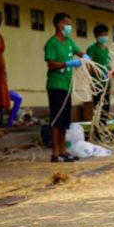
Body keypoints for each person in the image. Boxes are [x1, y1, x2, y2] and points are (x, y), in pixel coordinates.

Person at [44, 12, 89, 162]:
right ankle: (55, 153)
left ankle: (63, 151)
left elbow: (79, 52)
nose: (69, 27)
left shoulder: (69, 42)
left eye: (70, 24)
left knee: (64, 121)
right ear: (58, 24)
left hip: (67, 85)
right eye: (67, 24)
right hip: (56, 85)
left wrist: (86, 57)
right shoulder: (52, 43)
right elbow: (51, 64)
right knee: (57, 119)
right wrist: (67, 64)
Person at [86, 24, 114, 130]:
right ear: (96, 36)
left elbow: (107, 65)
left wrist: (111, 74)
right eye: (101, 35)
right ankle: (97, 132)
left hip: (106, 84)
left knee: (105, 110)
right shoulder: (92, 49)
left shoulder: (106, 50)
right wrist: (99, 73)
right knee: (98, 110)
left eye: (105, 34)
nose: (104, 37)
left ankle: (103, 131)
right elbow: (89, 65)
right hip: (97, 84)